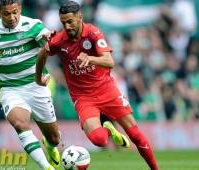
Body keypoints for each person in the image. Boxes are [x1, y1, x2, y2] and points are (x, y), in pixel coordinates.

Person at [35, 1, 159, 170]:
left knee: (136, 135)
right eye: (63, 22)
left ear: (80, 17)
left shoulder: (93, 33)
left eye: (70, 21)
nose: (67, 26)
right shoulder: (59, 40)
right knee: (99, 140)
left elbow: (109, 61)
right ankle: (108, 129)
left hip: (106, 90)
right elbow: (43, 52)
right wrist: (38, 77)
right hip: (83, 98)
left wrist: (90, 58)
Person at [0, 1, 60, 170]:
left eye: (15, 12)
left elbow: (48, 39)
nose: (12, 17)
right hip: (10, 89)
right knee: (20, 124)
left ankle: (50, 145)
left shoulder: (33, 25)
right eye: (7, 13)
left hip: (36, 87)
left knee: (54, 138)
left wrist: (49, 37)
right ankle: (46, 167)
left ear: (20, 9)